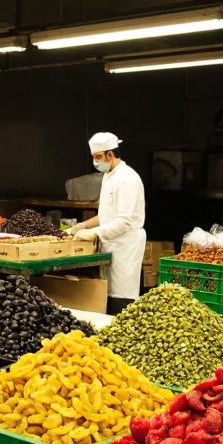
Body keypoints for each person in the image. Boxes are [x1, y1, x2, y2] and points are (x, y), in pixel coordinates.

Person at [68, 132, 147, 315]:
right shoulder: (109, 176)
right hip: (110, 246)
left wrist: (95, 233)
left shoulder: (127, 178)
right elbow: (106, 214)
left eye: (98, 157)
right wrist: (81, 226)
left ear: (110, 154)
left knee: (121, 300)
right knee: (107, 296)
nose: (95, 162)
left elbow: (125, 221)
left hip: (124, 247)